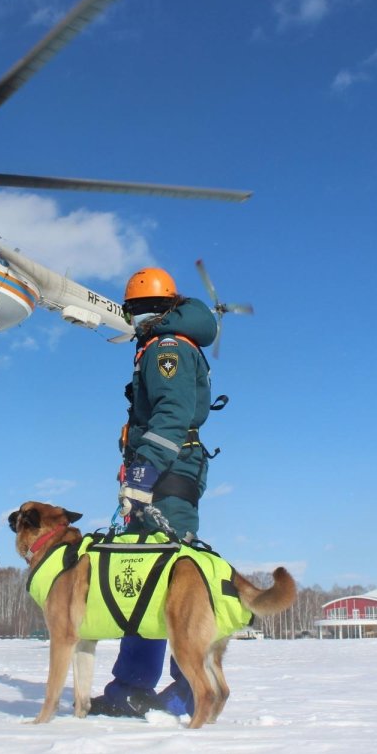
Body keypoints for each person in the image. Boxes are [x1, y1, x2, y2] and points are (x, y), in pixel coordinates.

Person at [89, 267, 219, 719]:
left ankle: (186, 691)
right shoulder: (163, 345)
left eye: (133, 314)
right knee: (145, 582)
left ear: (145, 311)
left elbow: (172, 411)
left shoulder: (167, 348)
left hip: (167, 473)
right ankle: (131, 686)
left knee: (172, 584)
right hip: (162, 471)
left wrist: (143, 472)